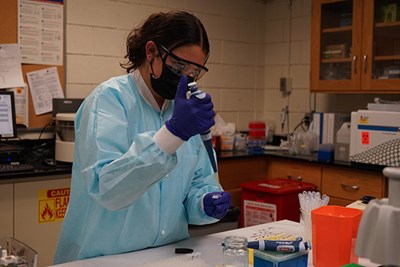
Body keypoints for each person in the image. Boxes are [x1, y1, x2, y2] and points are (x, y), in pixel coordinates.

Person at [53, 10, 231, 264]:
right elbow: (108, 189)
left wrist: (205, 203)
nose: (186, 77)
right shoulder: (109, 100)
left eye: (194, 70)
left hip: (167, 255)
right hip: (104, 258)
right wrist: (173, 133)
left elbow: (199, 183)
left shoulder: (186, 112)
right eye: (179, 65)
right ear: (151, 52)